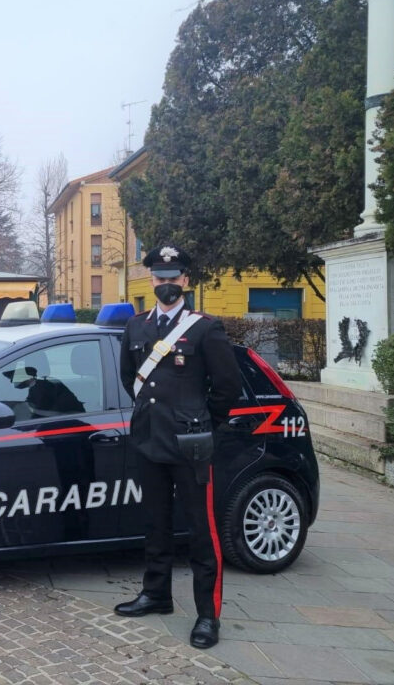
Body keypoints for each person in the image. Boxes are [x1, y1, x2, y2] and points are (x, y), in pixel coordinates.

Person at [115, 245, 242, 649]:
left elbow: (227, 388)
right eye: (159, 277)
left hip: (191, 447)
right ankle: (157, 595)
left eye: (173, 278)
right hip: (149, 440)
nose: (165, 285)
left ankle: (208, 615)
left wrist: (204, 426)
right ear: (150, 279)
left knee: (202, 533)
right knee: (155, 523)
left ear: (185, 280)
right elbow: (129, 380)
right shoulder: (136, 327)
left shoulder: (205, 328)